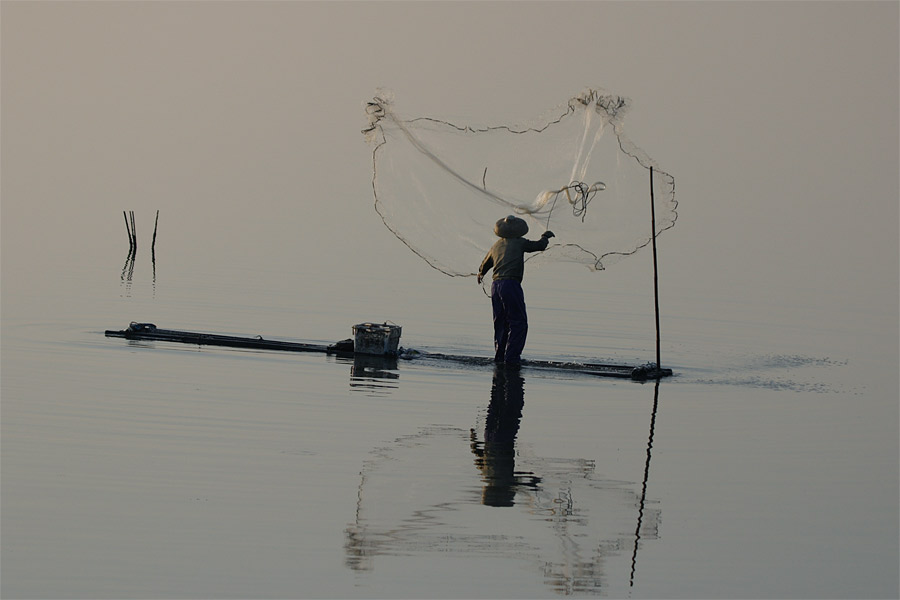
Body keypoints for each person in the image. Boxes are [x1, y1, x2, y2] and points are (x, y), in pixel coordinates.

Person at [477, 215, 554, 366]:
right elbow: (539, 246)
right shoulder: (520, 242)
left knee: (500, 322)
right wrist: (546, 236)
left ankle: (500, 358)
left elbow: (485, 264)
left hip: (495, 286)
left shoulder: (496, 245)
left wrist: (481, 273)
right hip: (510, 285)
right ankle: (512, 358)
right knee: (518, 323)